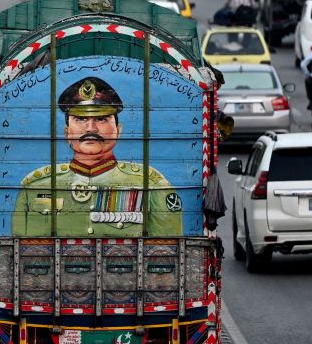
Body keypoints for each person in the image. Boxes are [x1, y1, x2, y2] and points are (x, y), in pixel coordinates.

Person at [12, 76, 183, 237]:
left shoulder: (151, 184)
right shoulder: (35, 185)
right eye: (80, 119)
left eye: (101, 119)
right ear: (66, 132)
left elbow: (168, 249)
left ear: (119, 130)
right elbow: (18, 248)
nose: (91, 128)